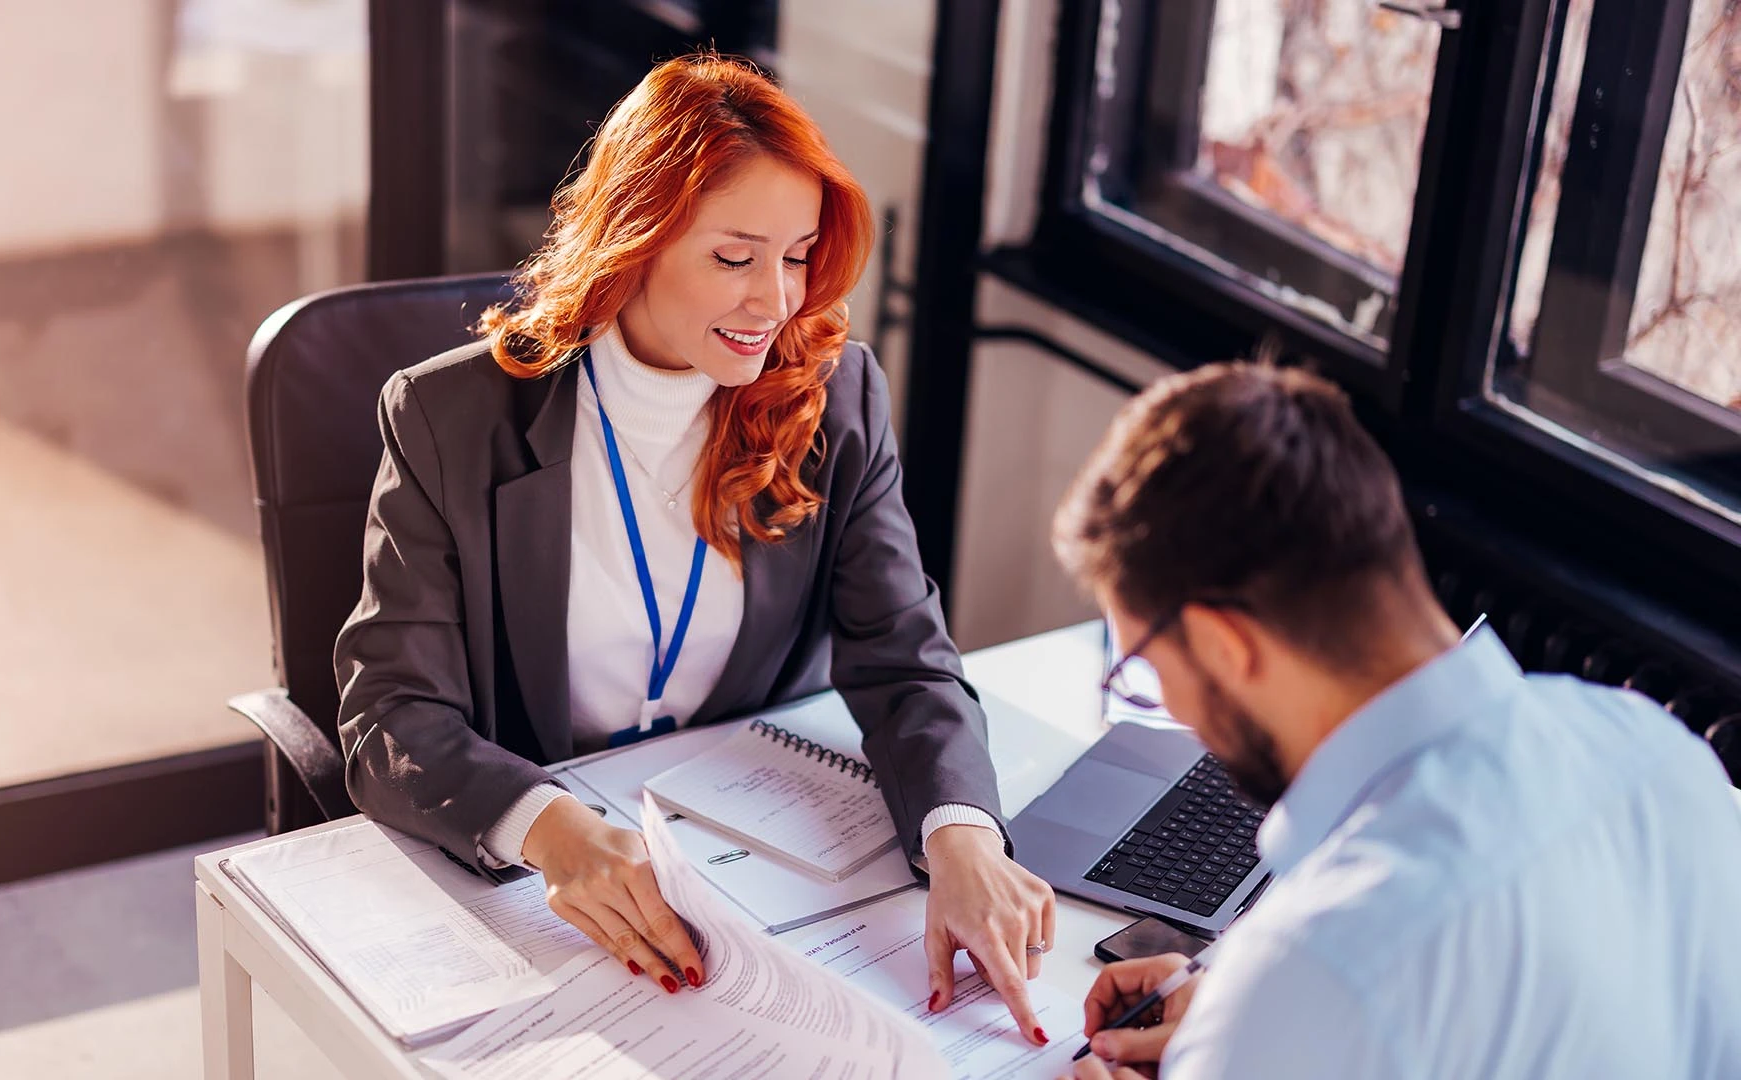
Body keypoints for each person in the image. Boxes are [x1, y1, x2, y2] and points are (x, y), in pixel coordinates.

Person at [333, 54, 1056, 1043]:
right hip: (539, 881)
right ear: (636, 239)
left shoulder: (833, 399)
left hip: (744, 885)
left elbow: (905, 658)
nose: (778, 301)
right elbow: (390, 715)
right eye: (735, 257)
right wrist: (551, 830)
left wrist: (963, 833)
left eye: (798, 255)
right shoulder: (449, 419)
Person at [1050, 362, 1741, 1078]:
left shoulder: (1317, 973)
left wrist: (1252, 1038)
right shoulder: (1663, 757)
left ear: (1227, 645)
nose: (1175, 707)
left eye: (1149, 669)